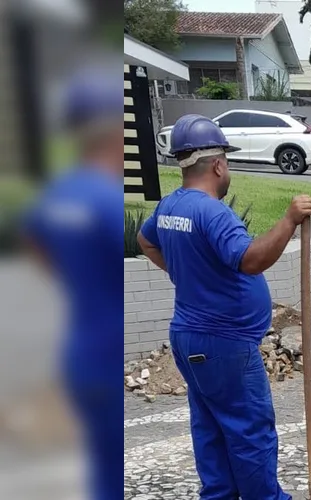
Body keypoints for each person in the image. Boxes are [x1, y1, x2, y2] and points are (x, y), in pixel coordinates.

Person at [136, 114, 311, 499]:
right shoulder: (212, 212)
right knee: (249, 431)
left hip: (189, 338)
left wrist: (187, 274)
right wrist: (288, 219)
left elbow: (144, 239)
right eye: (228, 162)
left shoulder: (171, 207)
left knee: (212, 427)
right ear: (218, 164)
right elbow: (250, 259)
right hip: (225, 344)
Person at [20, 63, 125, 500]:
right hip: (107, 350)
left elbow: (35, 250)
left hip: (76, 351)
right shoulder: (107, 200)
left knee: (96, 467)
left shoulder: (56, 195)